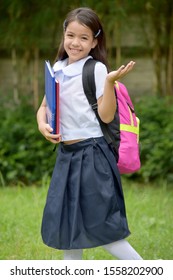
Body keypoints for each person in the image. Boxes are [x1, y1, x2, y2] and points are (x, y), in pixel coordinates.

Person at [37, 7, 142, 260]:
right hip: (67, 156)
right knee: (68, 227)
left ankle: (146, 270)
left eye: (84, 38)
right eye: (71, 35)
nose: (75, 43)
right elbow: (43, 107)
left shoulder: (96, 70)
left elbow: (106, 116)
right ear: (64, 35)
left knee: (103, 225)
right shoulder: (58, 68)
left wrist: (109, 83)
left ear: (95, 41)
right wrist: (42, 125)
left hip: (92, 156)